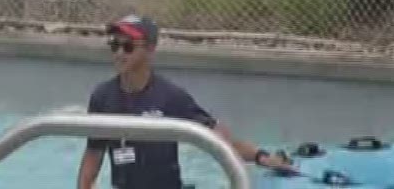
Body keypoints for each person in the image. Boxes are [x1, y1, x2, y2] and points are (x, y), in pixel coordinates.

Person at [78, 16, 293, 189]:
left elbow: (219, 140)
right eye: (114, 45)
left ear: (150, 49)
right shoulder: (102, 97)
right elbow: (93, 154)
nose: (118, 53)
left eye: (128, 47)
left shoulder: (170, 96)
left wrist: (261, 156)